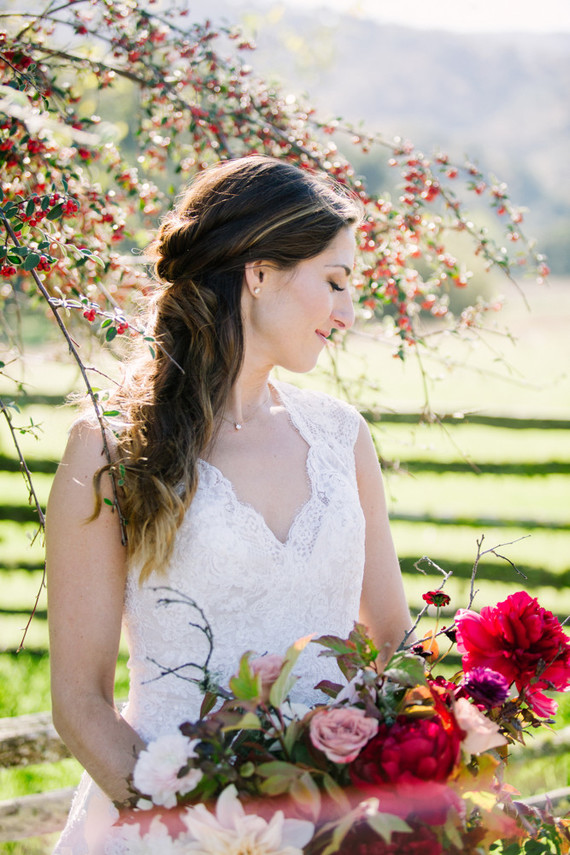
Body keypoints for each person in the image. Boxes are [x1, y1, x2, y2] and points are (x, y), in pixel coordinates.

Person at [46, 155, 412, 852]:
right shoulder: (109, 449)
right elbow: (80, 703)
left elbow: (390, 644)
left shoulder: (342, 436)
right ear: (259, 272)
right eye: (334, 281)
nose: (348, 311)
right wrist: (200, 835)